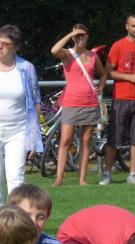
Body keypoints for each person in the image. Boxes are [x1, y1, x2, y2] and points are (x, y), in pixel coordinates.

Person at [0, 25, 42, 209]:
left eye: (5, 44)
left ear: (16, 47)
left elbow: (36, 103)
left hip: (18, 132)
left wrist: (33, 137)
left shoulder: (26, 68)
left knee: (16, 180)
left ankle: (17, 222)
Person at [100, 14, 135, 186]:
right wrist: (130, 78)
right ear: (127, 26)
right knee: (114, 138)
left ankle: (133, 174)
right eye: (133, 26)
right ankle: (107, 173)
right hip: (121, 98)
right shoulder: (118, 46)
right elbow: (108, 72)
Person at [50, 24, 107, 186]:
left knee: (86, 140)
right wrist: (70, 34)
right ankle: (59, 178)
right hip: (71, 101)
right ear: (73, 37)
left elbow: (103, 74)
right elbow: (54, 50)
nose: (80, 38)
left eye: (83, 35)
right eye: (77, 35)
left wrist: (101, 87)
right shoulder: (67, 54)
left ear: (88, 36)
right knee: (65, 140)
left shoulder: (93, 56)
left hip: (90, 102)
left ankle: (82, 179)